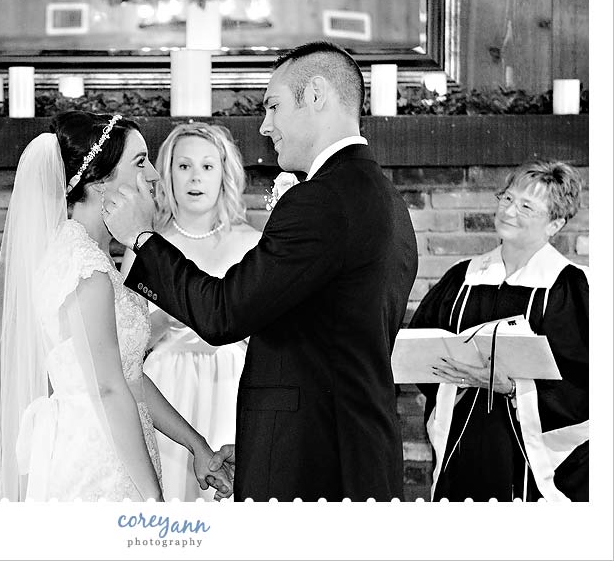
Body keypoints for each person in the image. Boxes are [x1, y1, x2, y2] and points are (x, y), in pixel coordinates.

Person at [103, 41, 418, 502]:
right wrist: (260, 445)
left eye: (272, 106)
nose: (265, 126)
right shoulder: (387, 200)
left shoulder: (320, 201)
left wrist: (141, 240)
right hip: (343, 450)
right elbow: (320, 347)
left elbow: (223, 314)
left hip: (314, 468)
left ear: (315, 95)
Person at [0, 111, 232, 502]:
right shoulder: (86, 268)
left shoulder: (98, 257)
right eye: (140, 162)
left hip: (118, 441)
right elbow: (108, 389)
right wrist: (155, 505)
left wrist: (196, 445)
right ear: (101, 182)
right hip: (99, 460)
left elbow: (129, 376)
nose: (154, 175)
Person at [409, 161, 588, 502]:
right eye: (507, 198)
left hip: (532, 457)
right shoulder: (463, 279)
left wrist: (514, 388)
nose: (508, 211)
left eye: (526, 206)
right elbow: (423, 351)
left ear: (555, 223)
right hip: (466, 440)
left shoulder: (573, 288)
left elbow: (590, 382)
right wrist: (453, 375)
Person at [121, 123, 261, 501]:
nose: (195, 177)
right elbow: (123, 338)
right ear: (166, 174)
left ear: (224, 175)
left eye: (207, 167)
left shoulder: (253, 244)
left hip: (233, 384)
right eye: (184, 167)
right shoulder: (146, 245)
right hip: (167, 384)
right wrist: (165, 319)